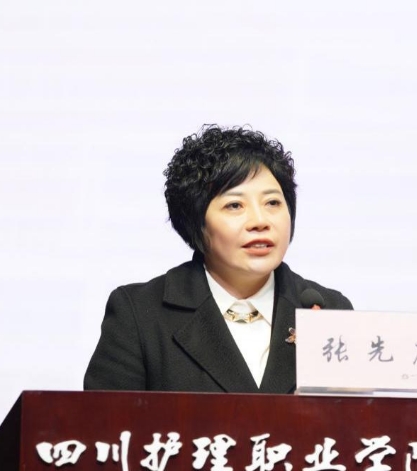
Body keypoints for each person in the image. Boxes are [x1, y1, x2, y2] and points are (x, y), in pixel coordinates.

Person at [84, 125, 353, 393]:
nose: (260, 221)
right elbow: (106, 419)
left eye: (272, 203)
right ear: (197, 223)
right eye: (234, 205)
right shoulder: (139, 315)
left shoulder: (329, 311)